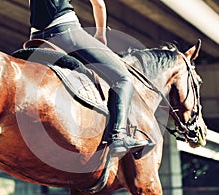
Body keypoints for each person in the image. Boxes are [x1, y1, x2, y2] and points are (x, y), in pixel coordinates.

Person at [29, 0, 148, 156]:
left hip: (36, 35)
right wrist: (100, 34)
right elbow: (98, 4)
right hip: (65, 30)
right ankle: (118, 136)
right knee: (123, 78)